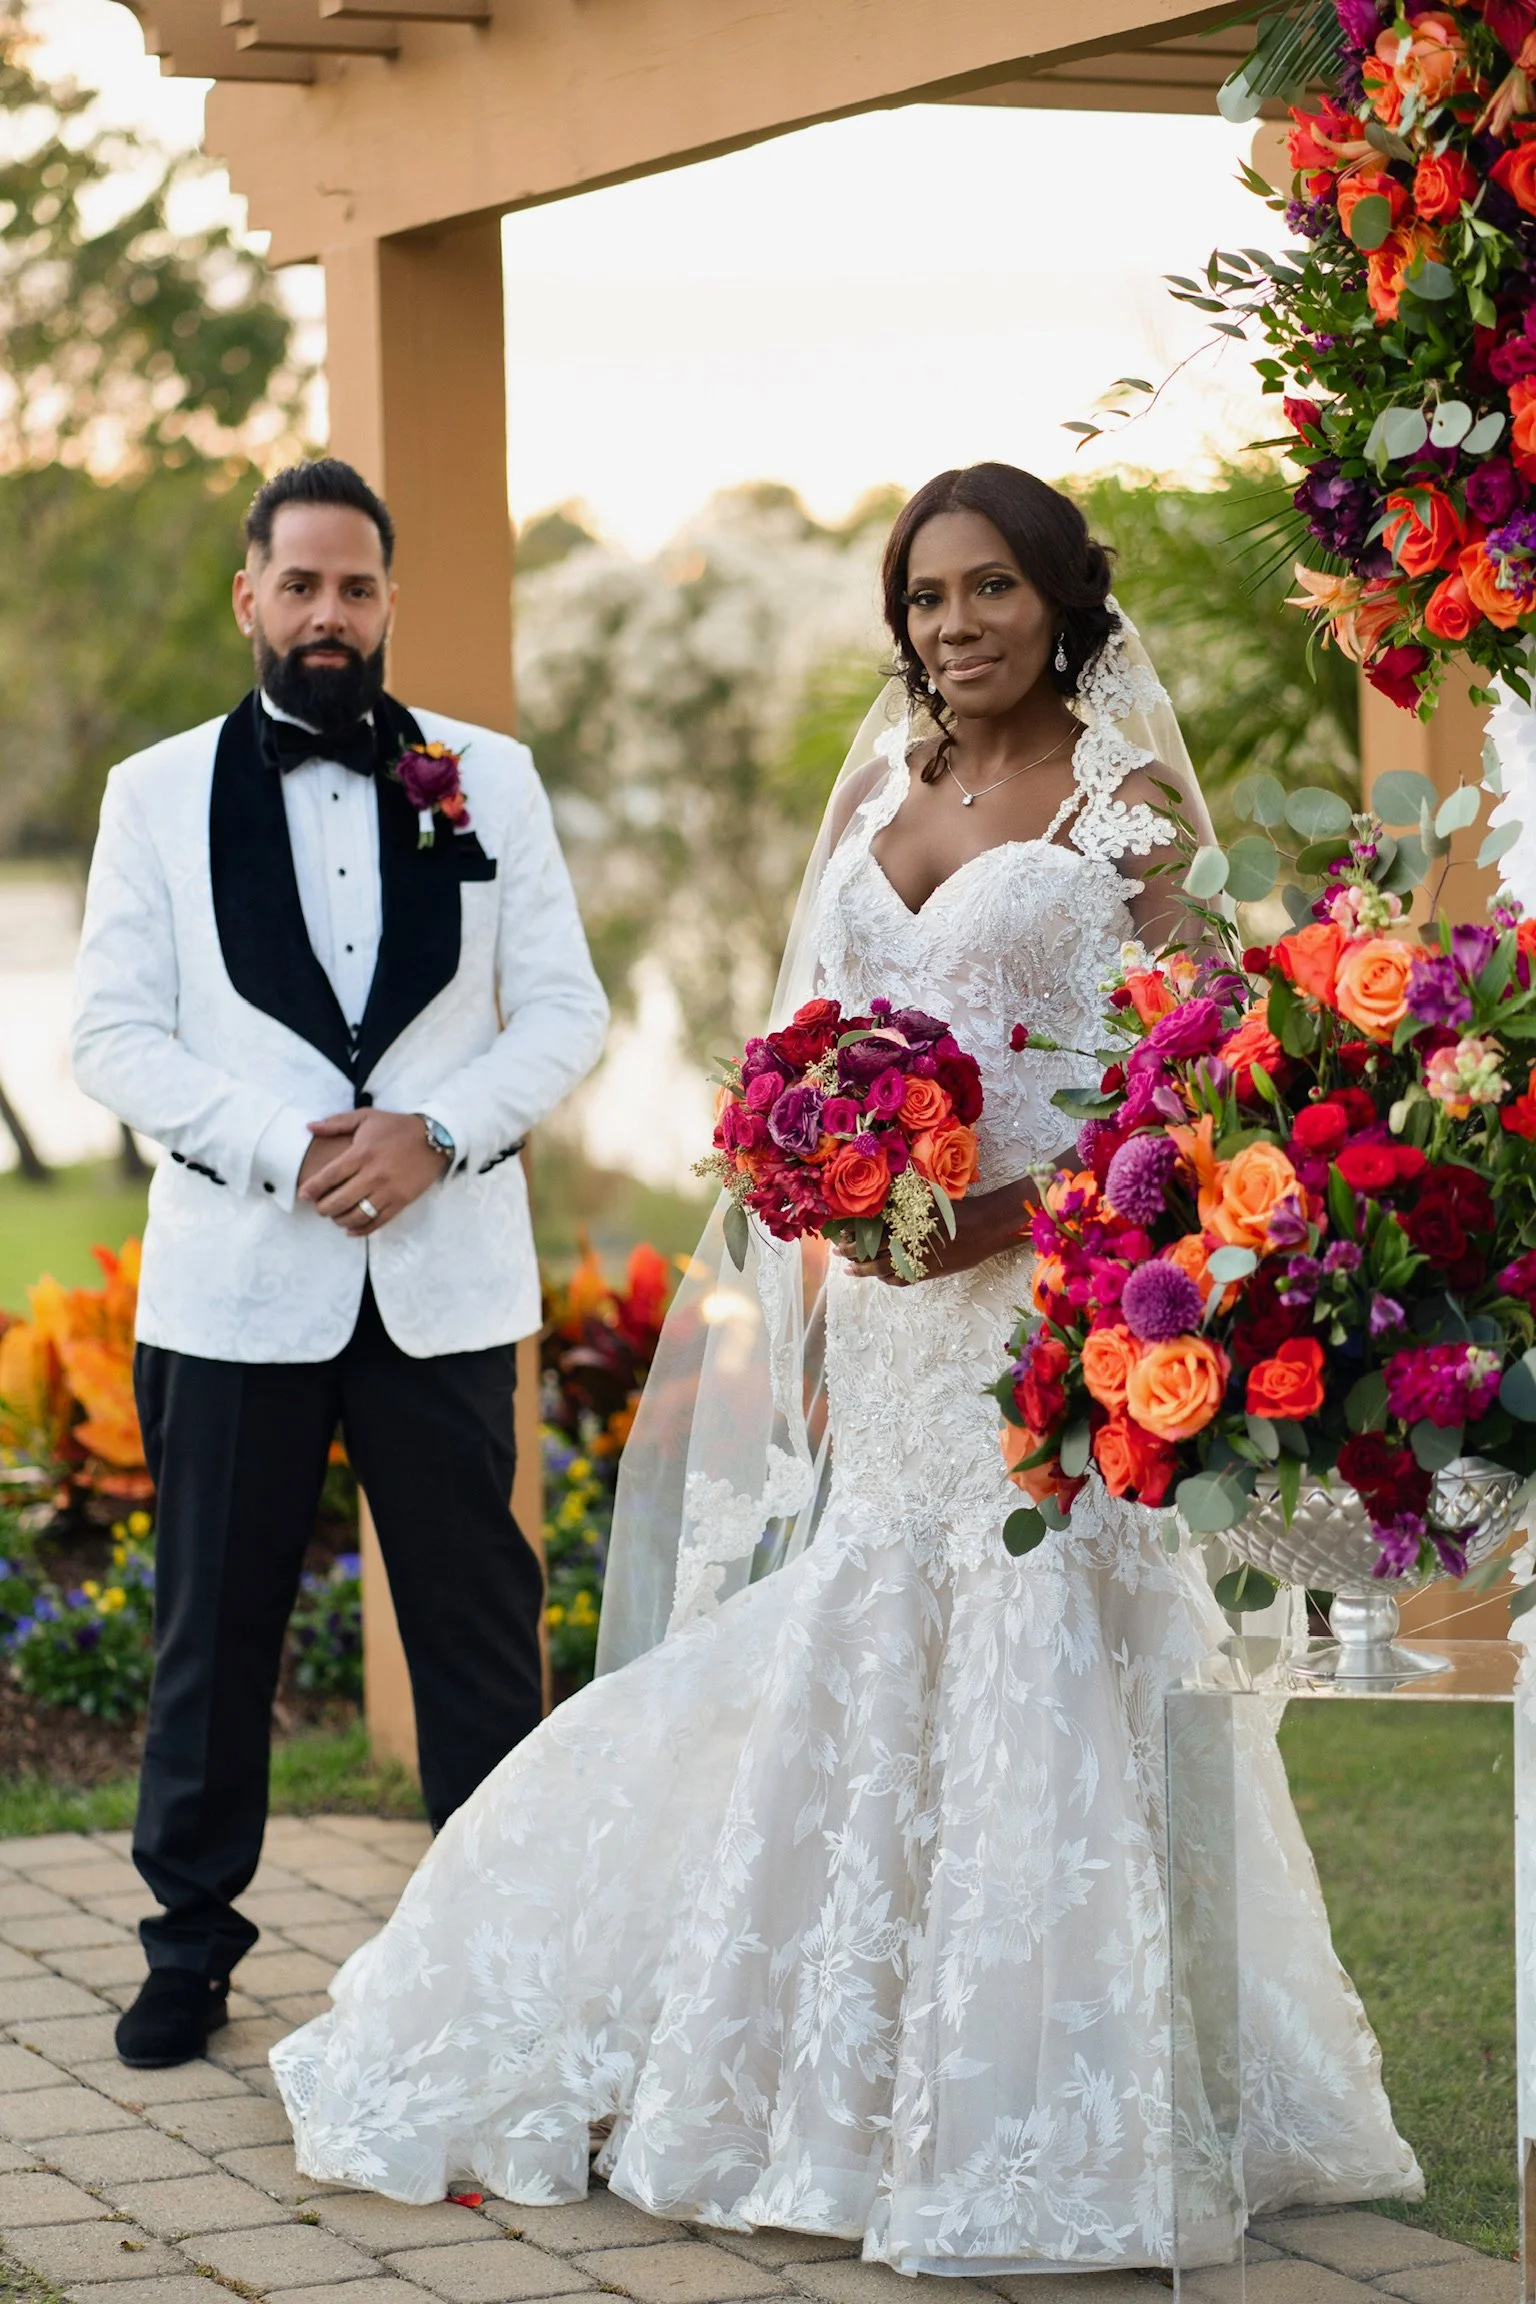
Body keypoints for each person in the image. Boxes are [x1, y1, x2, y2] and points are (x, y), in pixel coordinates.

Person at [269, 465, 1418, 2274]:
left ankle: (1028, 2111)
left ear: (1061, 600)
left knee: (1040, 1657)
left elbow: (1209, 1070)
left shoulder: (1123, 807)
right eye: (924, 600)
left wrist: (1026, 1208)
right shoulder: (881, 789)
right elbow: (797, 1059)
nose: (952, 630)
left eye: (987, 594)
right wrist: (813, 1228)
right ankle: (836, 2074)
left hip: (1041, 1304)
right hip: (877, 1317)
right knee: (869, 1646)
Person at [71, 457, 608, 2071]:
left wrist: (436, 1129)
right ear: (250, 596)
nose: (327, 613)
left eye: (355, 587)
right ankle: (189, 1948)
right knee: (210, 1626)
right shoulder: (153, 793)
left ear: (387, 602)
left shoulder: (485, 779)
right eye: (298, 584)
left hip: (443, 1280)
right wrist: (283, 1144)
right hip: (239, 1279)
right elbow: (112, 1031)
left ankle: (499, 1949)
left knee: (474, 1623)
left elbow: (567, 1013)